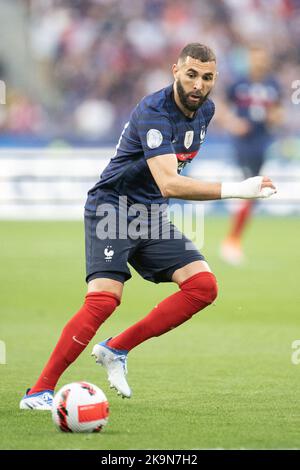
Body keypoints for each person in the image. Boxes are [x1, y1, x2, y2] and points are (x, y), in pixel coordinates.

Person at [20, 43, 276, 410]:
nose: (198, 85)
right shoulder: (154, 112)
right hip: (113, 206)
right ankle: (38, 392)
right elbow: (170, 182)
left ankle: (117, 348)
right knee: (105, 298)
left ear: (215, 80)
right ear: (175, 70)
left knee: (203, 286)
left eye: (206, 78)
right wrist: (237, 190)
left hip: (150, 212)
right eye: (191, 74)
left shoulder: (207, 110)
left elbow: (163, 188)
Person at [218, 45, 282, 265]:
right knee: (250, 189)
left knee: (255, 193)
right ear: (249, 60)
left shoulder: (272, 84)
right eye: (256, 58)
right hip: (243, 145)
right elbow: (221, 107)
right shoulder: (238, 83)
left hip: (263, 143)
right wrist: (232, 123)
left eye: (262, 59)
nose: (259, 63)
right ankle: (231, 241)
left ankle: (233, 240)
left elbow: (278, 111)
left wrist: (275, 117)